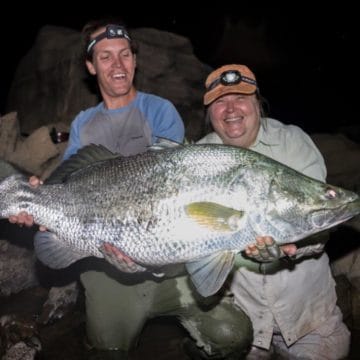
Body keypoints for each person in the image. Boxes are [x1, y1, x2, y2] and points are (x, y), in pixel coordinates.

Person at [8, 22, 253, 359]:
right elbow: (73, 182)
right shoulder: (83, 123)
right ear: (91, 67)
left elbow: (165, 188)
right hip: (105, 267)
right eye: (106, 57)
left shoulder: (160, 110)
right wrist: (37, 199)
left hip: (169, 265)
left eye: (125, 55)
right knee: (107, 350)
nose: (117, 65)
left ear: (135, 62)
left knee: (231, 336)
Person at [197, 64, 350, 359]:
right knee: (224, 338)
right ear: (209, 112)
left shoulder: (293, 143)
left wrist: (289, 248)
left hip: (307, 317)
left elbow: (320, 220)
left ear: (258, 103)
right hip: (246, 320)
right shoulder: (198, 158)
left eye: (240, 97)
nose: (230, 109)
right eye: (219, 101)